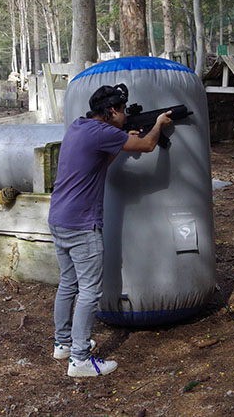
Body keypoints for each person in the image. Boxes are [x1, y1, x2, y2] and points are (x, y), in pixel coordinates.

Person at [48, 83, 173, 377]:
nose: (126, 116)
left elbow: (98, 161)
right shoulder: (104, 132)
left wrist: (119, 143)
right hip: (82, 224)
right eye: (123, 111)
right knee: (90, 290)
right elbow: (148, 145)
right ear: (113, 111)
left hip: (59, 219)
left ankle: (63, 344)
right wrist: (157, 124)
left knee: (69, 284)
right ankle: (79, 360)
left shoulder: (80, 127)